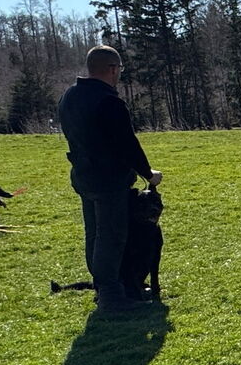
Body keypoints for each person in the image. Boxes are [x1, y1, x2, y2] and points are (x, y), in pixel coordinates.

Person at [56, 45, 162, 313]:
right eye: (120, 69)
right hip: (109, 179)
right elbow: (127, 144)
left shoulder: (69, 96)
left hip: (83, 175)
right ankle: (111, 296)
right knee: (111, 236)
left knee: (93, 234)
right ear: (113, 69)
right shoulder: (109, 101)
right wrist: (148, 174)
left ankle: (106, 287)